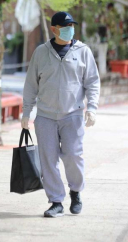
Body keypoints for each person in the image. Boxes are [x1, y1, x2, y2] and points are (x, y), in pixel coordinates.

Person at [21, 12, 100, 217]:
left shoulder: (83, 51)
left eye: (72, 25)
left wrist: (92, 108)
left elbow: (92, 81)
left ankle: (75, 191)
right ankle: (56, 201)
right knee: (48, 160)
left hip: (72, 115)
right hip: (45, 116)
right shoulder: (41, 52)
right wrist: (26, 113)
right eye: (65, 26)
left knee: (74, 156)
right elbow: (31, 85)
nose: (70, 29)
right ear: (54, 29)